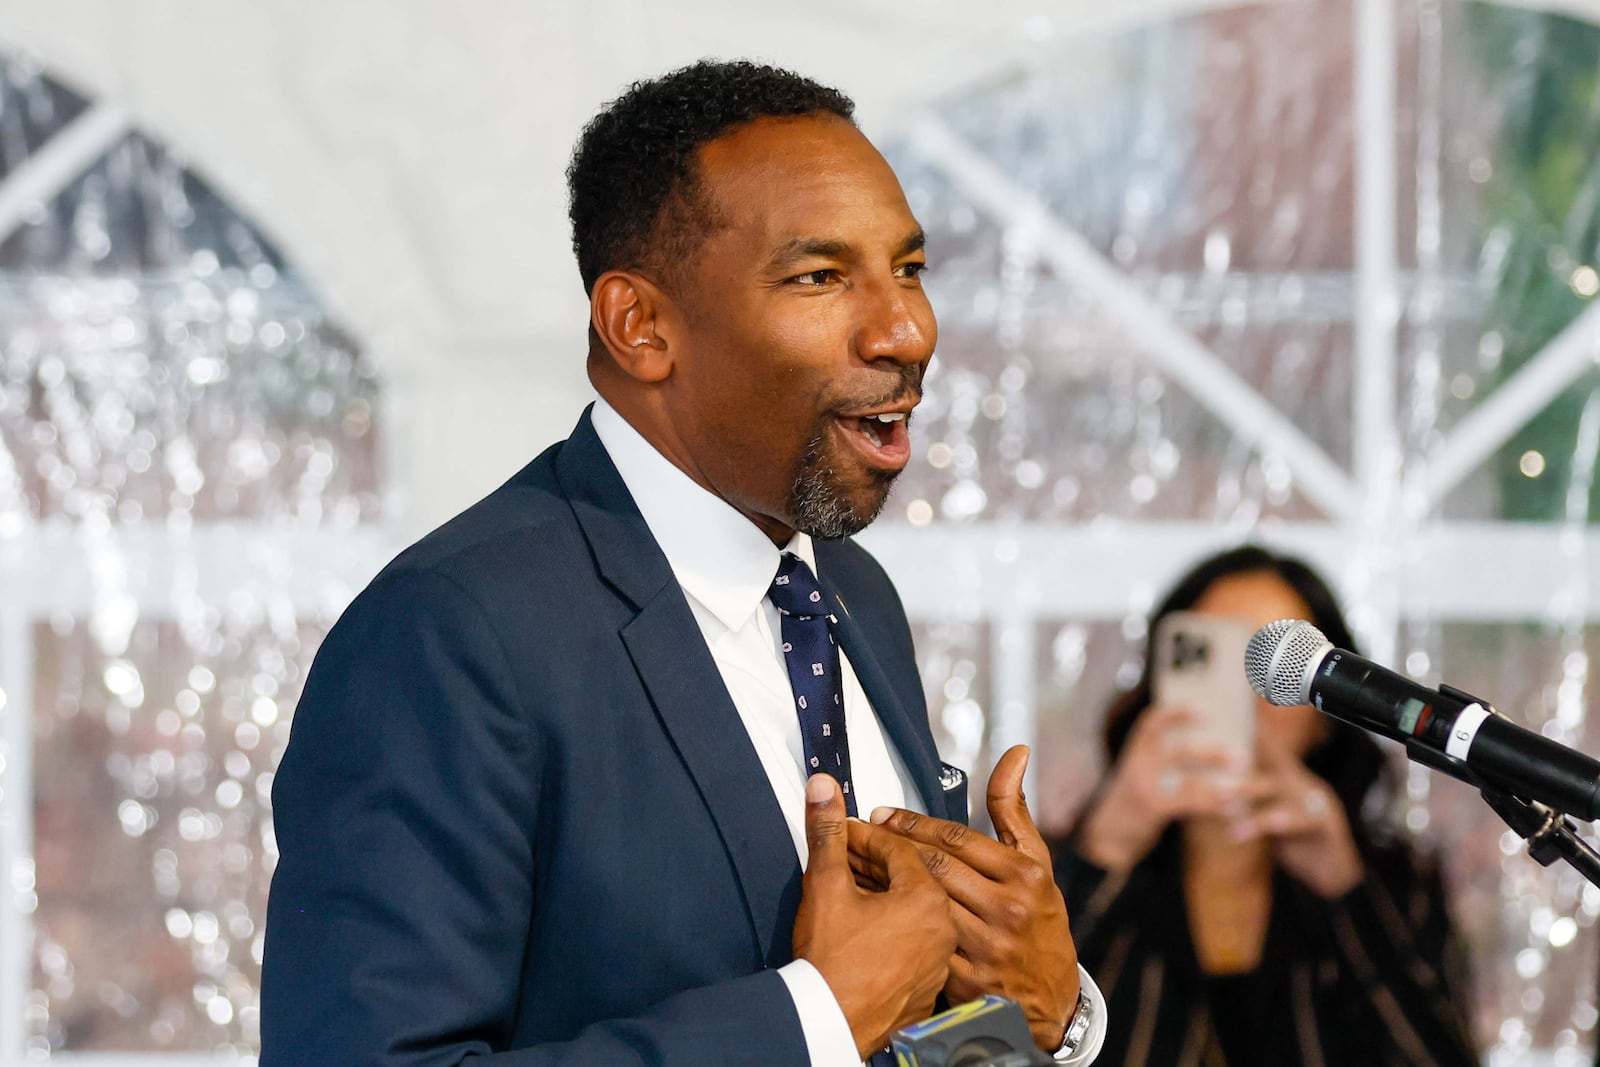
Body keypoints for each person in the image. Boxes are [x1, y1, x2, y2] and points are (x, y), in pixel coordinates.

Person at [260, 60, 1104, 1066]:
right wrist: (814, 1020)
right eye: (820, 276)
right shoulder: (451, 632)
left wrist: (1050, 1014)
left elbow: (918, 1029)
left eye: (910, 269)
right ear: (641, 326)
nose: (905, 329)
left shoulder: (850, 594)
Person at [1053, 545, 1478, 1067]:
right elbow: (994, 1039)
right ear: (1160, 682)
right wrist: (1104, 850)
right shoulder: (1051, 871)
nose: (1242, 699)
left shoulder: (1399, 886)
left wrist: (1347, 890)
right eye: (1214, 659)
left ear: (1324, 714)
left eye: (1274, 673)